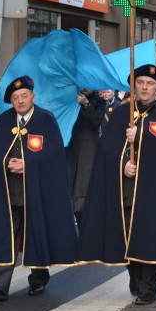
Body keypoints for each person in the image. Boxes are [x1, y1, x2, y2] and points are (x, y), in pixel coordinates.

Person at [77, 65, 156, 306]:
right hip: (126, 188)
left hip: (155, 189)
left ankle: (149, 285)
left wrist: (143, 133)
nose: (144, 88)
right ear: (133, 87)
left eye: (149, 83)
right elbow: (107, 150)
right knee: (128, 232)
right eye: (140, 83)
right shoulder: (121, 113)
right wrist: (123, 165)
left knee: (150, 233)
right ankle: (135, 275)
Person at [0, 75, 78, 302]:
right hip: (10, 191)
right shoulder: (5, 121)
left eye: (24, 96)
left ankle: (39, 279)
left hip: (37, 192)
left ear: (33, 97)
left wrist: (29, 164)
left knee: (37, 234)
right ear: (11, 102)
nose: (20, 101)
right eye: (15, 98)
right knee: (6, 236)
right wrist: (6, 163)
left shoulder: (45, 119)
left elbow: (54, 154)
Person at [66, 88, 106, 225]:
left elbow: (97, 120)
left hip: (89, 152)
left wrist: (86, 104)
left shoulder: (99, 100)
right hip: (71, 148)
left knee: (84, 192)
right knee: (68, 188)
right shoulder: (71, 97)